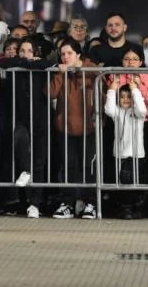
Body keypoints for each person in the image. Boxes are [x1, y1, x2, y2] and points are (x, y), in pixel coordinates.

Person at [48, 39, 98, 220]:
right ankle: (68, 202)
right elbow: (51, 93)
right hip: (65, 127)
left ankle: (90, 203)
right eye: (62, 54)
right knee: (69, 166)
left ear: (78, 54)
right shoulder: (60, 70)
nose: (65, 57)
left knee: (87, 167)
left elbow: (101, 91)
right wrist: (61, 74)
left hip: (89, 127)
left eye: (69, 53)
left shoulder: (91, 69)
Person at [104, 75, 147, 220]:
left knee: (135, 182)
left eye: (129, 97)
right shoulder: (117, 112)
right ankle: (126, 207)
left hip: (136, 154)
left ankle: (136, 207)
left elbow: (142, 110)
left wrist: (135, 90)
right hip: (121, 154)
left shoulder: (137, 112)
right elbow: (109, 110)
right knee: (123, 182)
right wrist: (111, 90)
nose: (126, 100)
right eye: (122, 97)